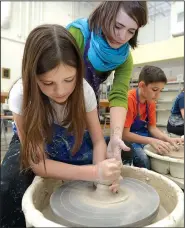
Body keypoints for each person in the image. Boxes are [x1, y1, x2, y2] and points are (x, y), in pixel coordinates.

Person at [0, 24, 121, 228]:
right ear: (33, 76)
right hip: (33, 139)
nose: (61, 91)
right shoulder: (21, 95)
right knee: (7, 186)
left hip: (70, 135)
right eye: (48, 83)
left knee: (120, 161)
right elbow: (38, 164)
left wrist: (102, 178)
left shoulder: (84, 91)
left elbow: (99, 140)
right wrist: (93, 172)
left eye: (69, 79)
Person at [66, 1, 148, 161]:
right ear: (105, 14)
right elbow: (53, 80)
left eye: (131, 31)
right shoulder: (78, 34)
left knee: (103, 155)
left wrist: (116, 136)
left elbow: (118, 95)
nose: (122, 36)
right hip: (61, 103)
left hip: (89, 105)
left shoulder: (124, 57)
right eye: (118, 26)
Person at [122, 65, 184, 169]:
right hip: (128, 139)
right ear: (142, 85)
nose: (158, 95)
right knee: (144, 160)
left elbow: (152, 128)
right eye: (155, 90)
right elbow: (124, 134)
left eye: (160, 90)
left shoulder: (150, 101)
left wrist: (168, 139)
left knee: (165, 148)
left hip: (143, 135)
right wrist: (151, 141)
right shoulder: (130, 99)